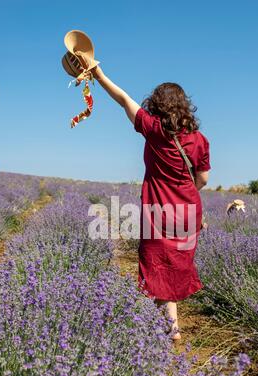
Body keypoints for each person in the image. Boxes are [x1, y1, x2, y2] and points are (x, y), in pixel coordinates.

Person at [91, 66, 211, 340]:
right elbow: (202, 178)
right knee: (173, 270)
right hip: (188, 214)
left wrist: (98, 75)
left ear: (157, 105)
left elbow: (123, 98)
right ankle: (172, 329)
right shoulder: (199, 140)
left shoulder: (154, 129)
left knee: (157, 272)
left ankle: (166, 332)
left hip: (159, 213)